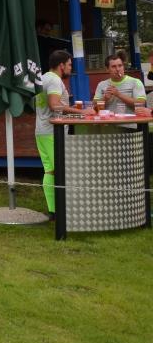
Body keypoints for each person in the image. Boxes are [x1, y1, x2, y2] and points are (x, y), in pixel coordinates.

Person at [35, 50, 95, 220]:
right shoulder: (54, 80)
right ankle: (66, 210)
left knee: (50, 171)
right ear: (61, 65)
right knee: (62, 171)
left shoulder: (42, 78)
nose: (70, 68)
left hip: (41, 131)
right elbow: (54, 105)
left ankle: (54, 211)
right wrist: (82, 112)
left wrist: (72, 111)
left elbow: (49, 106)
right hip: (53, 132)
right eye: (69, 64)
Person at [93, 51, 145, 130]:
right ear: (107, 69)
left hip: (130, 126)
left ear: (123, 67)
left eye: (120, 66)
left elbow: (141, 104)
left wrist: (119, 94)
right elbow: (94, 107)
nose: (117, 69)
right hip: (107, 126)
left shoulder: (135, 82)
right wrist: (105, 99)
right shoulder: (102, 84)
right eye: (113, 67)